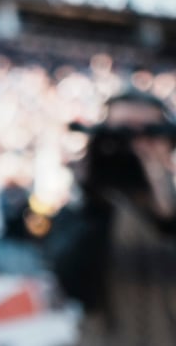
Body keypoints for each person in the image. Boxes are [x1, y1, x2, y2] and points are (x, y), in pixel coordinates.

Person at [46, 88, 176, 345]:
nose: (135, 147)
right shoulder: (84, 211)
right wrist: (95, 205)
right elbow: (74, 286)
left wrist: (165, 212)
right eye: (122, 135)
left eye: (148, 135)